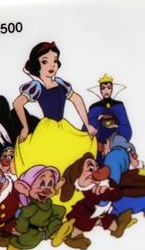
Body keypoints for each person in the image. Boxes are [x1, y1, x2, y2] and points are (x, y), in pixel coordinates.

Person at [12, 42, 98, 182]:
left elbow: (77, 99)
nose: (52, 65)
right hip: (47, 129)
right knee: (48, 157)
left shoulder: (61, 83)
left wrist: (87, 125)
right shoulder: (37, 86)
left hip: (63, 126)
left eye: (55, 61)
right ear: (37, 65)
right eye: (45, 61)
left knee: (72, 153)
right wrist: (25, 127)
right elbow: (17, 103)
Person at [87, 74, 132, 150]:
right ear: (100, 90)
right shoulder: (94, 107)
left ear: (112, 89)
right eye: (103, 88)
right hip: (99, 146)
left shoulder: (119, 105)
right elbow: (89, 129)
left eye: (109, 87)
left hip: (116, 144)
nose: (106, 91)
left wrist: (116, 126)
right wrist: (99, 120)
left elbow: (127, 129)